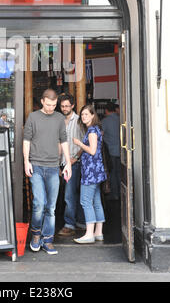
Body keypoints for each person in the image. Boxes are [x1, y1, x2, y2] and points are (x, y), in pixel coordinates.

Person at [23, 88, 72, 255]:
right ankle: (35, 235)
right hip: (36, 165)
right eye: (49, 104)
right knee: (39, 204)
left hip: (53, 167)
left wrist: (68, 163)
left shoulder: (59, 118)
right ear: (42, 101)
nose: (52, 108)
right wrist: (26, 161)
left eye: (54, 105)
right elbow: (26, 141)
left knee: (50, 207)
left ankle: (48, 240)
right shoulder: (33, 117)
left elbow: (64, 141)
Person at [73, 105, 107, 244]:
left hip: (91, 172)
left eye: (87, 114)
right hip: (96, 171)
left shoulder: (92, 131)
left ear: (93, 115)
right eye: (82, 115)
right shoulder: (95, 129)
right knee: (96, 201)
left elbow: (92, 151)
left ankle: (89, 234)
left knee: (86, 201)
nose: (84, 117)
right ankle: (98, 232)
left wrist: (79, 143)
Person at [57, 94, 85, 237]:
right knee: (71, 193)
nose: (65, 108)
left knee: (69, 194)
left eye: (67, 106)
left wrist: (74, 159)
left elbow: (84, 142)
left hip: (74, 163)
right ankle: (80, 222)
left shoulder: (79, 121)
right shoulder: (59, 120)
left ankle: (69, 224)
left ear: (73, 106)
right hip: (61, 162)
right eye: (62, 106)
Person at [101, 102, 121, 200]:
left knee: (112, 173)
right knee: (120, 173)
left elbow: (100, 134)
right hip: (122, 151)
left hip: (111, 151)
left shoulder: (105, 121)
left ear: (106, 111)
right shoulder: (120, 119)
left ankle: (115, 194)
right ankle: (121, 194)